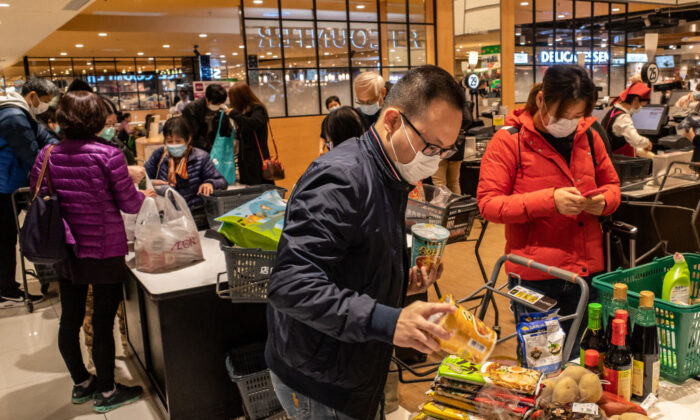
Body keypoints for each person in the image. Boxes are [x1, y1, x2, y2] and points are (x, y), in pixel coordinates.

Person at [266, 66, 465, 420]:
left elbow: (354, 259)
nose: (434, 159)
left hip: (353, 363)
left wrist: (402, 281)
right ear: (391, 121)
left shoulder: (390, 173)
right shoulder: (341, 178)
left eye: (445, 150)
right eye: (431, 146)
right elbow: (291, 284)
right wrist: (388, 321)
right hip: (320, 378)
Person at [477, 64, 622, 359]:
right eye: (561, 115)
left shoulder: (591, 138)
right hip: (535, 278)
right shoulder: (509, 140)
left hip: (587, 277)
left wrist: (603, 202)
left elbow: (613, 186)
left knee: (586, 367)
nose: (568, 122)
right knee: (543, 371)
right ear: (541, 99)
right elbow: (489, 204)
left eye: (577, 116)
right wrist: (549, 201)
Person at [30, 91, 154, 413]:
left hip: (64, 249)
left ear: (62, 118)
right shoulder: (108, 154)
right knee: (102, 321)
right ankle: (108, 391)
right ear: (98, 119)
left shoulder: (47, 154)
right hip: (104, 249)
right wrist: (146, 196)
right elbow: (129, 202)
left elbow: (38, 194)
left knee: (69, 320)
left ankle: (81, 383)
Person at [0, 76, 58, 307]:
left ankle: (7, 288)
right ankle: (6, 292)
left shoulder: (18, 110)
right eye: (44, 101)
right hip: (4, 188)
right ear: (32, 96)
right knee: (4, 239)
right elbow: (34, 156)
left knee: (7, 238)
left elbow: (43, 136)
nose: (45, 107)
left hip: (7, 185)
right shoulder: (14, 117)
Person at [145, 116, 228, 209]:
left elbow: (222, 182)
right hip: (167, 212)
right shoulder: (159, 155)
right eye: (169, 141)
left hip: (195, 211)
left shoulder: (201, 157)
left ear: (188, 139)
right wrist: (151, 184)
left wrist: (210, 184)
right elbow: (143, 178)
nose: (173, 145)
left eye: (178, 141)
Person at [227, 82, 274, 185]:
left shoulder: (257, 109)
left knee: (261, 187)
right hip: (245, 159)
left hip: (257, 158)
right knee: (249, 187)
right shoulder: (242, 111)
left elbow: (252, 124)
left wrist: (234, 114)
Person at [432, 85, 474, 194]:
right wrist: (455, 129)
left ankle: (443, 209)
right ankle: (456, 209)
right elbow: (468, 119)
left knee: (439, 182)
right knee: (454, 181)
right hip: (457, 144)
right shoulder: (459, 100)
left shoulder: (436, 100)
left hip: (438, 143)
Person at [601, 82, 653, 157]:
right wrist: (647, 143)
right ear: (635, 99)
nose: (639, 108)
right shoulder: (622, 117)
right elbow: (636, 140)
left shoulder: (614, 111)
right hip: (621, 164)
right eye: (641, 105)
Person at [182, 84, 232, 152]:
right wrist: (210, 148)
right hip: (198, 150)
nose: (218, 105)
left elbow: (226, 130)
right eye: (215, 103)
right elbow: (193, 135)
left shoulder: (222, 109)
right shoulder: (191, 109)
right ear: (206, 98)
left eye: (220, 103)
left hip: (217, 148)